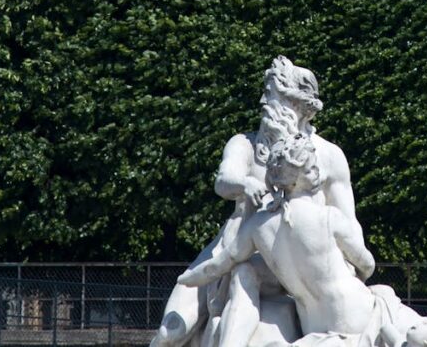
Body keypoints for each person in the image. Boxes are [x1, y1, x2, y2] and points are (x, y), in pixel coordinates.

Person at [152, 56, 366, 347]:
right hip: (233, 245)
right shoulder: (245, 144)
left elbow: (349, 223)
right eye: (265, 92)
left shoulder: (328, 155)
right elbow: (224, 180)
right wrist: (244, 183)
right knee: (172, 330)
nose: (264, 101)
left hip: (288, 260)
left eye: (273, 94)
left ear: (299, 104)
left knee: (246, 272)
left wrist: (350, 273)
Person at [178, 134, 427, 347]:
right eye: (311, 169)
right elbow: (367, 264)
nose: (317, 173)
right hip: (358, 314)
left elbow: (218, 265)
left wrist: (186, 279)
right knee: (416, 324)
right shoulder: (328, 217)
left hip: (315, 329)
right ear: (297, 179)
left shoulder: (257, 226)